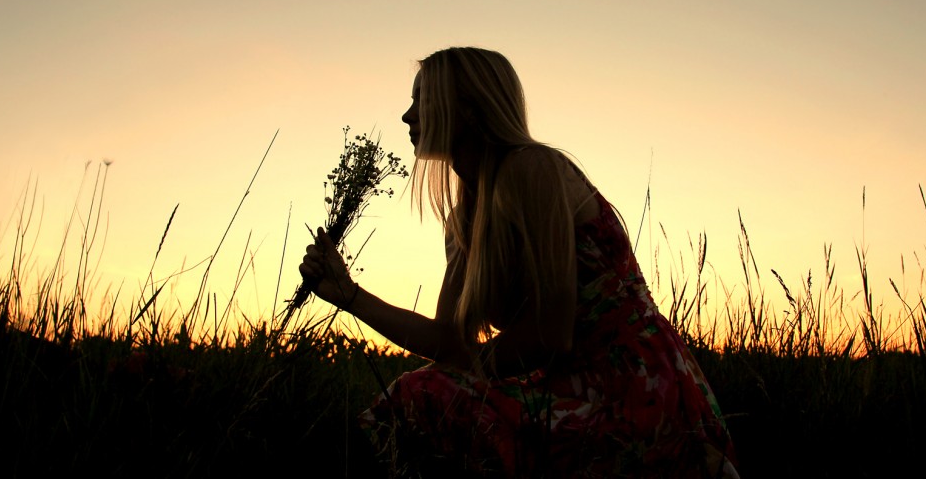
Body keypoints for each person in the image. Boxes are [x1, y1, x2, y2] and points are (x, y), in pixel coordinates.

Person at [300, 47, 739, 478]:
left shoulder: (533, 169)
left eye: (423, 100)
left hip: (633, 391)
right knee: (426, 394)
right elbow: (448, 340)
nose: (407, 116)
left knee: (426, 393)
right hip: (566, 388)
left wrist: (467, 372)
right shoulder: (464, 217)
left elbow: (550, 334)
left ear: (470, 109)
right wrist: (350, 296)